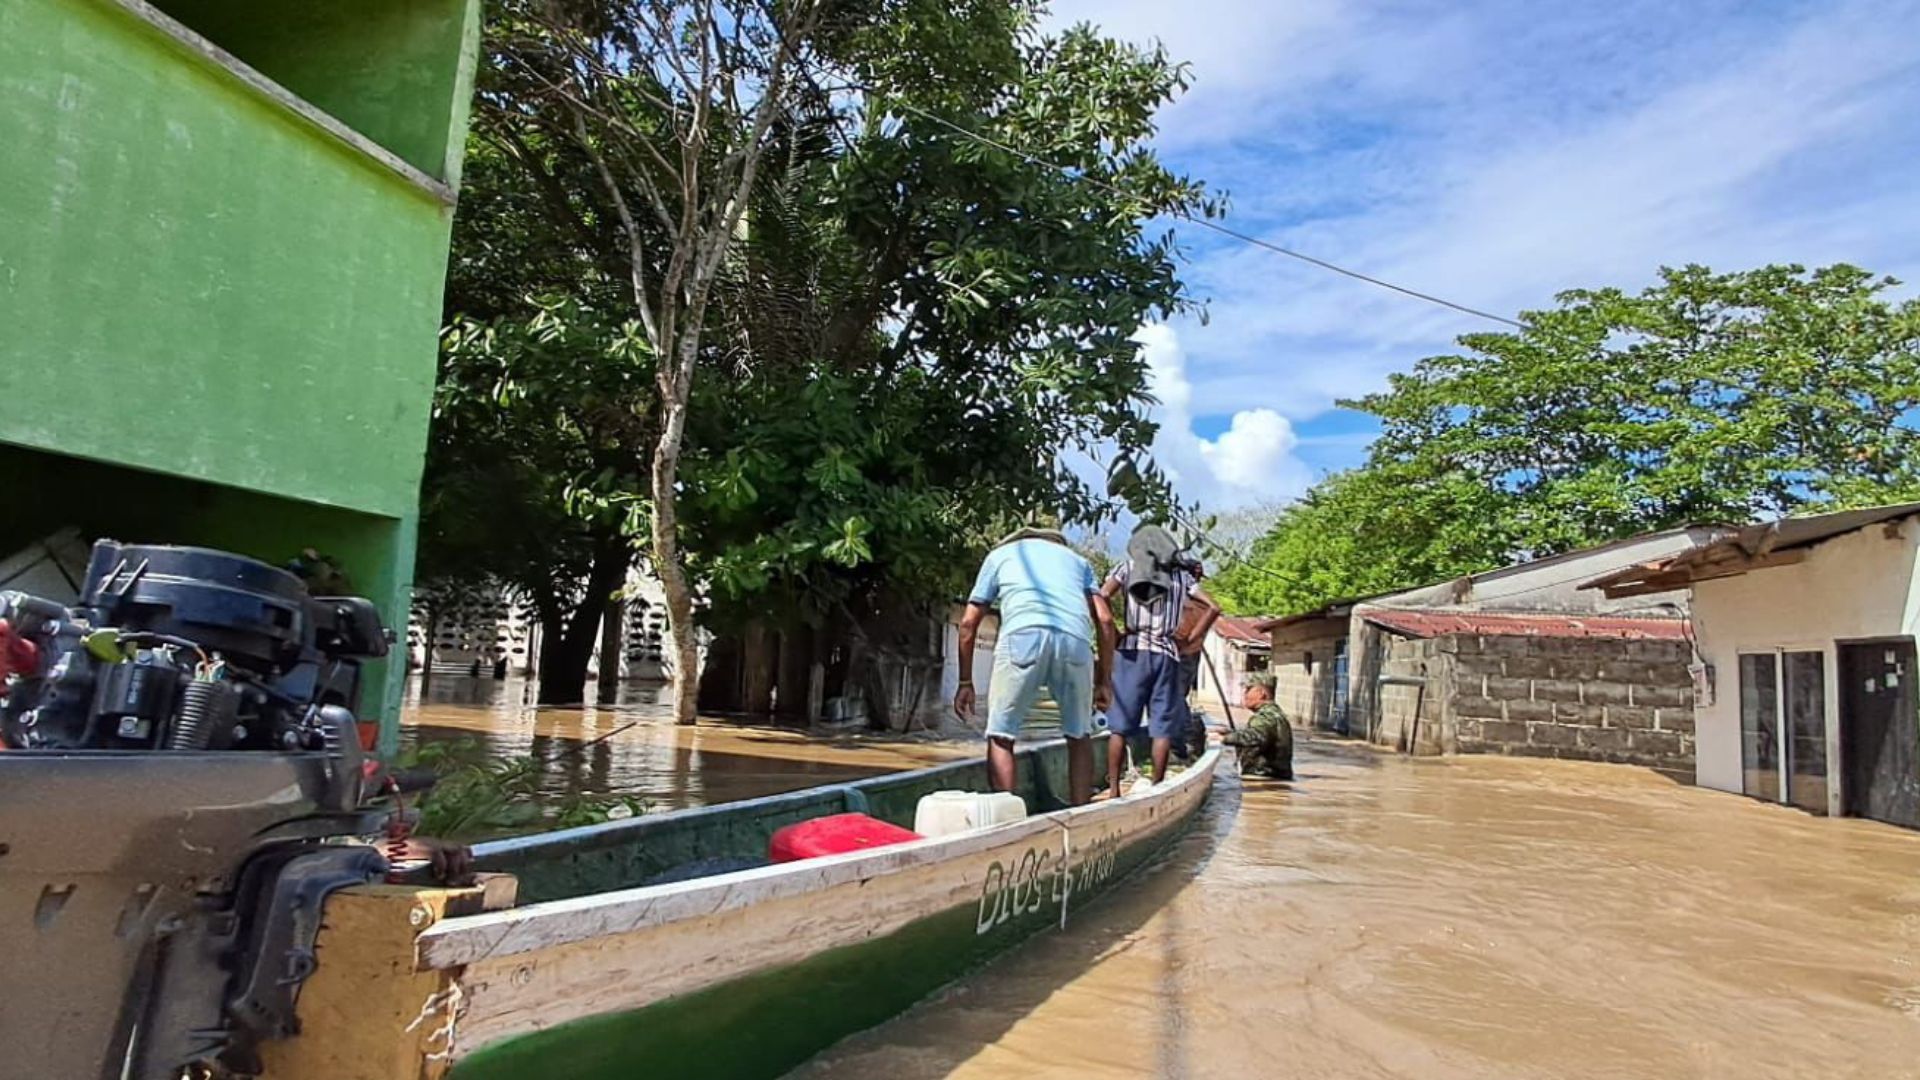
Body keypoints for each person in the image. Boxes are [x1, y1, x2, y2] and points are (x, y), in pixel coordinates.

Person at [953, 528, 1113, 805]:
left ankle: (1006, 817)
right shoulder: (1078, 562)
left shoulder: (1000, 555)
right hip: (1076, 641)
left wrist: (966, 682)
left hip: (1022, 637)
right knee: (1080, 735)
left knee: (1001, 735)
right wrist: (1104, 681)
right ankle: (1081, 814)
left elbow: (968, 623)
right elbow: (1106, 621)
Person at [1099, 525, 1216, 792]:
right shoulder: (1181, 577)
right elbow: (1213, 607)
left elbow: (1103, 595)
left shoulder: (1127, 568)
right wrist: (1189, 640)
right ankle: (1156, 787)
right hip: (1167, 654)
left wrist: (1114, 632)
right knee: (1161, 728)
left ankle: (1114, 789)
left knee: (1119, 727)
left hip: (1131, 652)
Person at [1172, 562, 1221, 761]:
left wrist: (1190, 640)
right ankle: (1181, 742)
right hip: (1188, 652)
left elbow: (1212, 611)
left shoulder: (1192, 595)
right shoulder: (1190, 595)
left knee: (1173, 697)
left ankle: (1183, 743)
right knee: (1175, 696)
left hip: (1184, 653)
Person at [1223, 672, 1294, 780]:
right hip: (1274, 780)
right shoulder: (1275, 714)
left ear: (1261, 693)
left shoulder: (1266, 716)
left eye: (1248, 690)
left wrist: (1225, 738)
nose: (1244, 694)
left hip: (1263, 781)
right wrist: (1229, 733)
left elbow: (1257, 736)